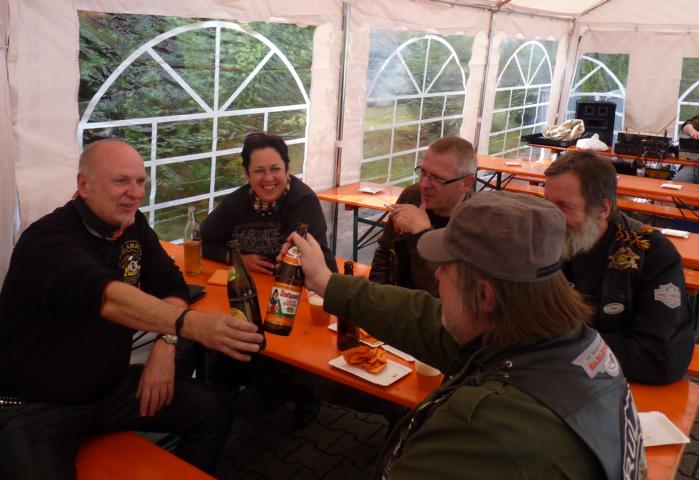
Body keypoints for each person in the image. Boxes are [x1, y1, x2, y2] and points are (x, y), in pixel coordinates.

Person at [283, 191, 645, 479]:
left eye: (445, 267)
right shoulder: (562, 339)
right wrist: (327, 283)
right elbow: (423, 318)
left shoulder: (482, 430)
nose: (436, 275)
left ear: (484, 296)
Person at [0, 139, 264, 480]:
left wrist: (166, 345)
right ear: (84, 184)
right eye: (121, 181)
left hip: (109, 391)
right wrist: (192, 325)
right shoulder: (46, 240)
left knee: (212, 409)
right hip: (35, 406)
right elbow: (108, 298)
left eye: (140, 181)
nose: (135, 193)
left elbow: (172, 285)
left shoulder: (131, 225)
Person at [544, 150, 694, 385]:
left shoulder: (651, 253)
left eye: (563, 207)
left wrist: (553, 343)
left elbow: (661, 358)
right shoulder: (538, 241)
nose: (549, 218)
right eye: (546, 204)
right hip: (552, 379)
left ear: (603, 209)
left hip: (621, 388)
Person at [200, 131, 336, 274]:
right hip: (246, 284)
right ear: (247, 174)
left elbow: (326, 268)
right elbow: (197, 242)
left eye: (275, 169)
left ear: (287, 170)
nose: (268, 178)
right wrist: (236, 259)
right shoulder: (234, 203)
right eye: (259, 171)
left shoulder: (303, 202)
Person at [369, 136, 476, 296]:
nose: (424, 185)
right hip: (395, 301)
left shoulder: (477, 226)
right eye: (423, 173)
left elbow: (443, 297)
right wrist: (376, 296)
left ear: (467, 183)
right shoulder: (412, 196)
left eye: (438, 179)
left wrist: (422, 235)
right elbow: (385, 252)